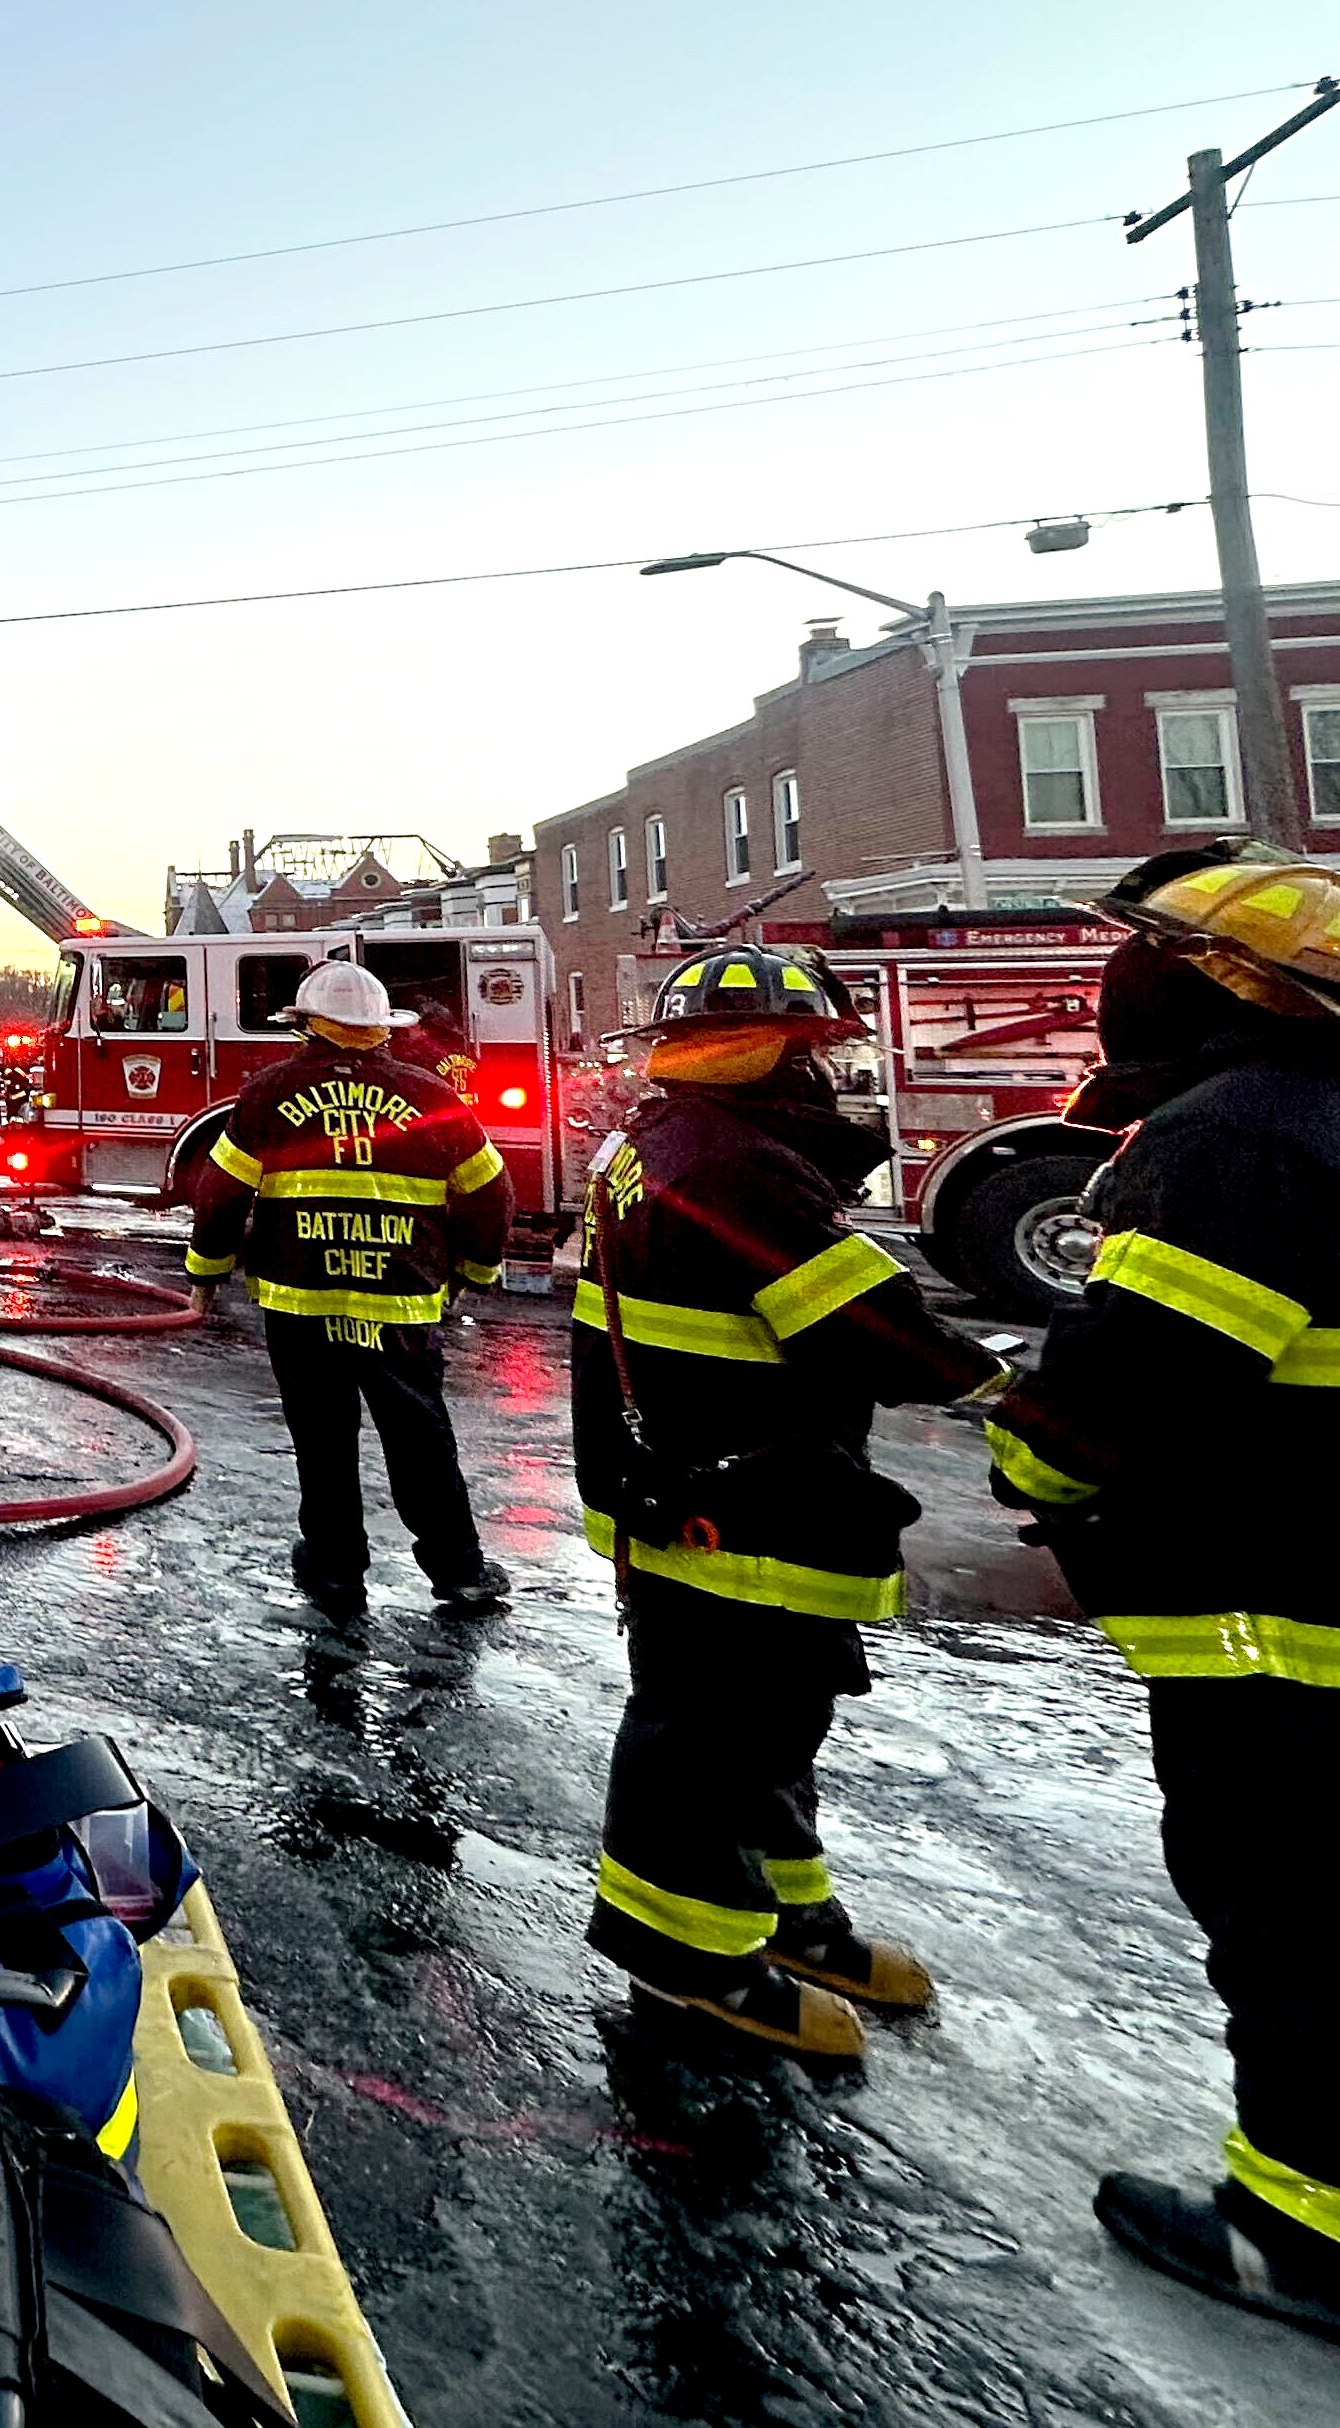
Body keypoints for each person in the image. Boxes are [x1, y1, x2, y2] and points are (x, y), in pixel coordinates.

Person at [982, 853, 1340, 2334]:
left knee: (1299, 1913)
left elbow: (1130, 1387)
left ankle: (1300, 2234)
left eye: (1155, 956)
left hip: (1286, 1616)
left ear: (1218, 981)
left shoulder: (1236, 1137)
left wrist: (1029, 1452)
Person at [569, 943, 1003, 2059]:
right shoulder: (731, 1167)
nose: (822, 1077)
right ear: (758, 1056)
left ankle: (783, 1915)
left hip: (717, 1479)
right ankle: (686, 1961)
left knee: (769, 1723)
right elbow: (861, 1324)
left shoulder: (667, 1140)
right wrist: (1007, 1388)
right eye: (805, 1054)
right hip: (729, 1497)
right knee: (710, 1735)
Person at [186, 960, 510, 1620]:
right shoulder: (432, 1096)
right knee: (420, 1436)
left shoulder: (268, 1093)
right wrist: (474, 1272)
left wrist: (205, 1274)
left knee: (322, 1439)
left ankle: (335, 1571)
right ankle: (459, 1569)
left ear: (305, 1024)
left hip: (301, 1304)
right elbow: (491, 1193)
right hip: (400, 1302)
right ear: (380, 1029)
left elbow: (219, 1195)